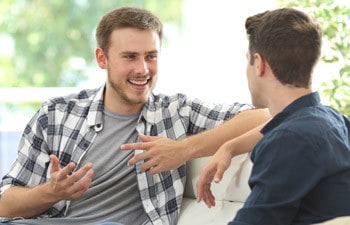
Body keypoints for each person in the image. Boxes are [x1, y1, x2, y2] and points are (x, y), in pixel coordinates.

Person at [0, 6, 271, 225]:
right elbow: (5, 203)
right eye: (130, 57)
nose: (142, 69)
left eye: (151, 56)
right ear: (102, 58)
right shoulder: (56, 114)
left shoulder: (175, 111)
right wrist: (52, 192)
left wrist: (184, 149)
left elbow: (264, 116)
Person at [196, 7, 350, 225]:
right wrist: (229, 146)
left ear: (259, 64)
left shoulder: (289, 140)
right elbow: (287, 122)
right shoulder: (333, 119)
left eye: (247, 60)